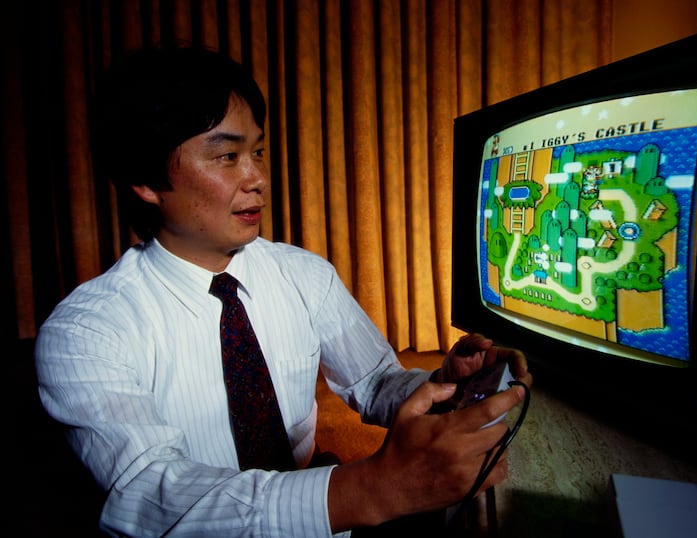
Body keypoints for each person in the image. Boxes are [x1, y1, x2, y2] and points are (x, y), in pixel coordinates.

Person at [34, 45, 533, 537]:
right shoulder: (86, 332)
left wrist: (444, 384)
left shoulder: (304, 274)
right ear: (145, 179)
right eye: (226, 156)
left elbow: (375, 382)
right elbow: (151, 495)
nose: (257, 178)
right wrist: (373, 489)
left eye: (257, 152)